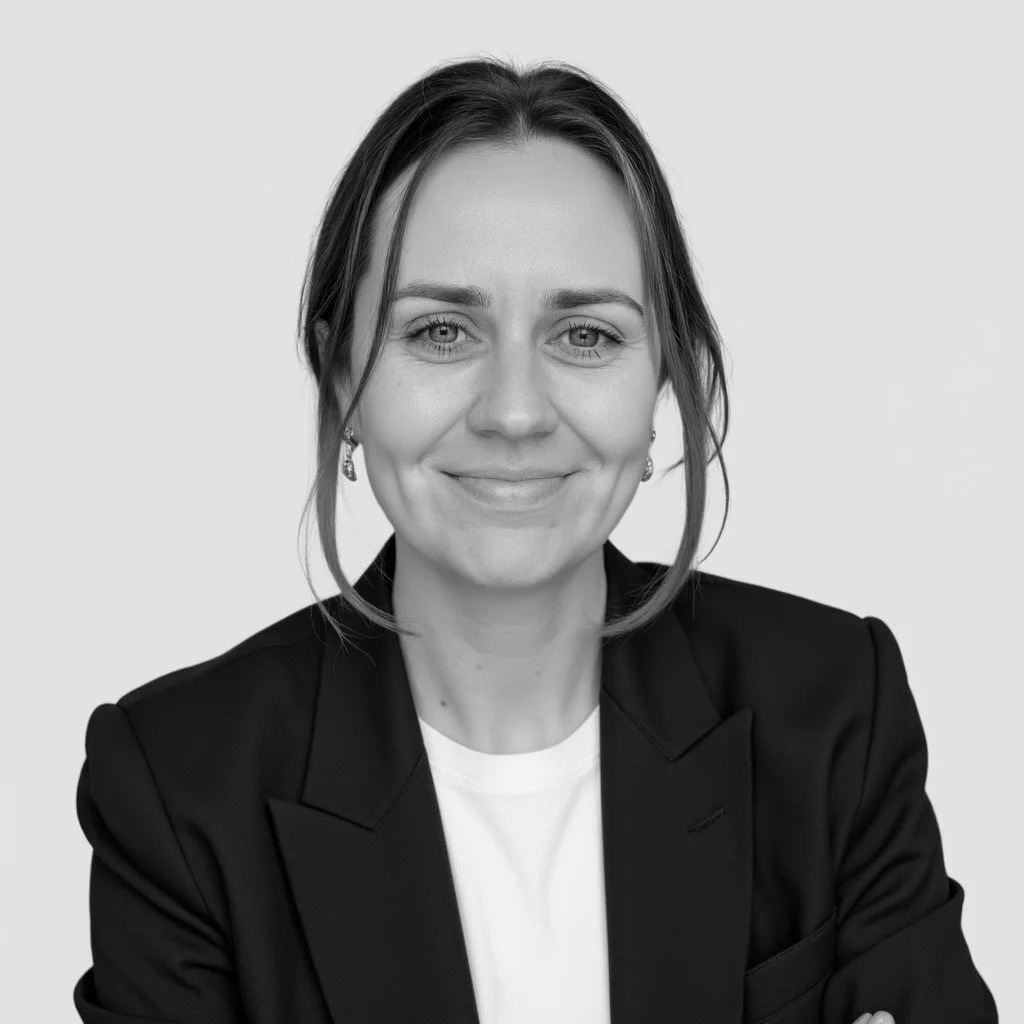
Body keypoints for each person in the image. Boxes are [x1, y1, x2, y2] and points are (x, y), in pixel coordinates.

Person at [73, 57, 999, 1024]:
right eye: (439, 332)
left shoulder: (833, 714)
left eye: (587, 337)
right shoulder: (179, 787)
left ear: (664, 386)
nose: (514, 412)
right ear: (342, 380)